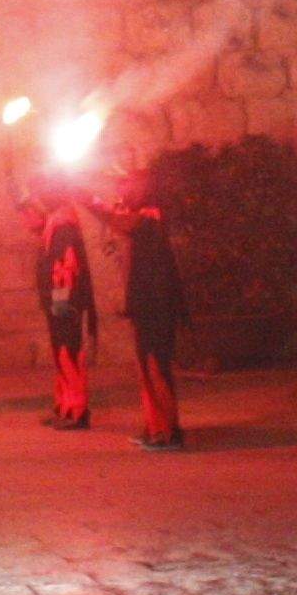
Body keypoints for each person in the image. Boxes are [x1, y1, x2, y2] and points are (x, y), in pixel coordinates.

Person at [118, 186, 186, 449]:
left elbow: (119, 222)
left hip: (156, 309)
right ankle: (156, 428)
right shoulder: (149, 222)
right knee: (148, 368)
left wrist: (86, 196)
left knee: (157, 369)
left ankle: (169, 433)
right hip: (148, 308)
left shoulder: (148, 220)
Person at [32, 204, 98, 430]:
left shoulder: (64, 224)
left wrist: (61, 301)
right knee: (60, 351)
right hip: (57, 297)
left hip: (64, 298)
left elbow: (67, 266)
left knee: (68, 351)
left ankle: (77, 411)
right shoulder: (54, 221)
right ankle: (64, 406)